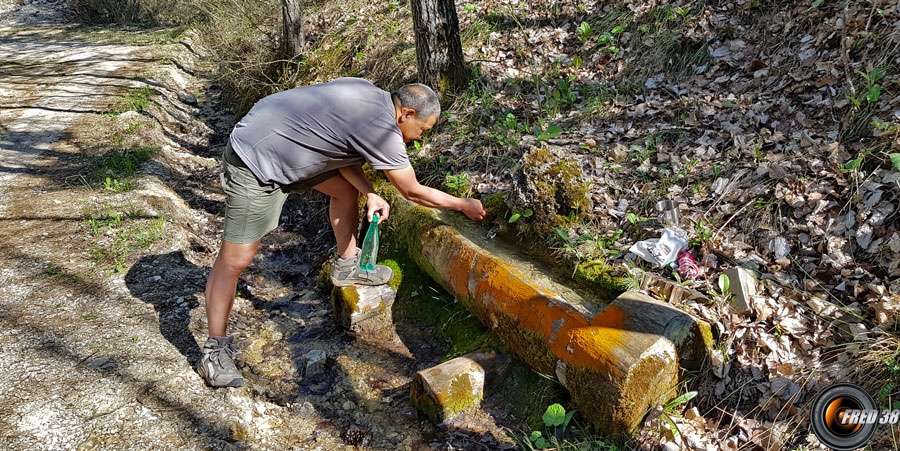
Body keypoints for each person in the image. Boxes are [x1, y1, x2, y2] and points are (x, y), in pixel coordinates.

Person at [198, 78, 487, 387]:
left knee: (346, 192)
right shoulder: (384, 129)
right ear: (406, 113)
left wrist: (369, 191)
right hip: (256, 157)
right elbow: (412, 191)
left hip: (284, 139)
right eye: (422, 130)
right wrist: (462, 203)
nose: (417, 140)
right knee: (236, 259)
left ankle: (348, 266)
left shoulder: (367, 92)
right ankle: (214, 352)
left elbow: (341, 149)